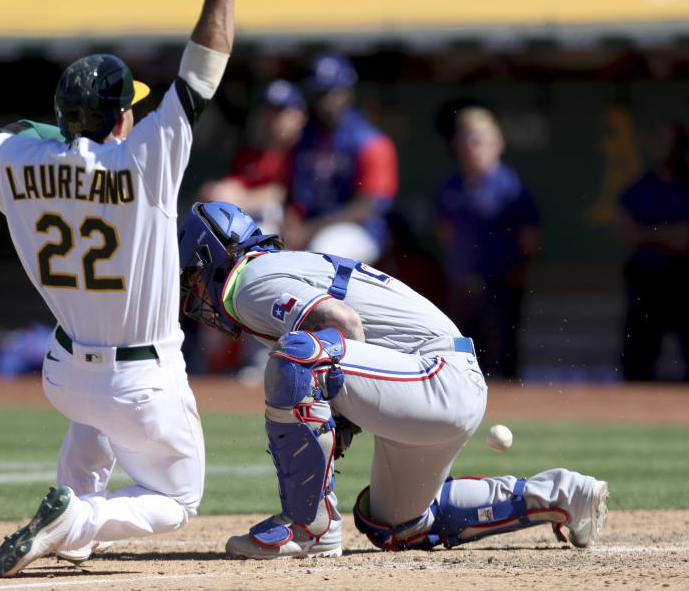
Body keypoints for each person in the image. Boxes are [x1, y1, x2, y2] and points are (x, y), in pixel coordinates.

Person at [0, 0, 259, 578]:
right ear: (121, 119)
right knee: (179, 497)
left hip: (64, 374)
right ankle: (77, 519)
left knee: (95, 420)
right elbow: (201, 75)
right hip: (141, 378)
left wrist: (46, 135)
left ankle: (73, 514)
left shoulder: (12, 157)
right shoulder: (143, 155)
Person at [178, 200, 609, 559]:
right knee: (396, 525)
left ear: (212, 256)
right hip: (436, 384)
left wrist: (339, 410)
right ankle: (564, 494)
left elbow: (337, 320)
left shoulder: (246, 279)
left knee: (297, 356)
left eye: (193, 279)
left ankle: (308, 528)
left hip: (436, 378)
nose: (195, 296)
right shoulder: (278, 265)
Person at [435, 106, 540, 380]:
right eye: (467, 139)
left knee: (502, 358)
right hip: (461, 288)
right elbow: (445, 234)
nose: (473, 147)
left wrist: (512, 274)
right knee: (462, 357)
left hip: (500, 286)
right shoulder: (451, 188)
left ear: (498, 143)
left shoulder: (510, 187)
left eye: (479, 139)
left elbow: (529, 240)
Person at [282, 52, 398, 265]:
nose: (325, 100)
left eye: (331, 92)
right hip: (309, 226)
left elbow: (367, 207)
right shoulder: (303, 139)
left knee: (324, 251)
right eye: (318, 93)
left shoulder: (372, 141)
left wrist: (309, 229)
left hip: (360, 231)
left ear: (347, 92)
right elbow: (289, 191)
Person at [614, 121, 689, 381]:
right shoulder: (642, 186)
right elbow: (623, 232)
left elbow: (685, 241)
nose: (667, 150)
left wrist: (647, 233)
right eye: (662, 142)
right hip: (646, 281)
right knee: (637, 359)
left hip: (683, 282)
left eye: (674, 144)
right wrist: (667, 233)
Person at [199, 79, 307, 234]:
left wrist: (239, 201)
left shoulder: (306, 151)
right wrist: (216, 192)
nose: (271, 118)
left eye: (280, 111)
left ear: (300, 115)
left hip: (299, 227)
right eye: (268, 110)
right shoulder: (250, 154)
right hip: (255, 221)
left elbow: (282, 194)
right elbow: (233, 185)